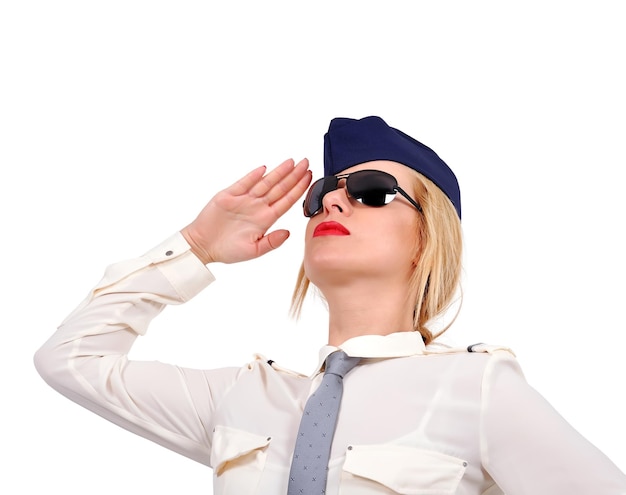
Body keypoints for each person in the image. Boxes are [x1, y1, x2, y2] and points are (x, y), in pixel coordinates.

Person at [34, 116, 626, 494]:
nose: (334, 204)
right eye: (323, 194)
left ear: (429, 238)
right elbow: (70, 361)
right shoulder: (244, 398)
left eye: (371, 191)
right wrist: (196, 247)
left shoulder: (477, 388)